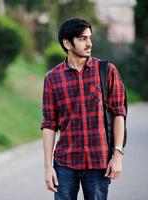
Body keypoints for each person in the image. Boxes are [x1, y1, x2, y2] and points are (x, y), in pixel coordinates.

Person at [41, 18, 126, 200]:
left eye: (89, 38)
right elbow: (49, 124)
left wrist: (117, 154)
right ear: (67, 43)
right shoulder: (52, 78)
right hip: (65, 163)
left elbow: (119, 113)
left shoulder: (107, 71)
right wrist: (48, 167)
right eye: (82, 39)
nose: (89, 43)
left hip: (98, 162)